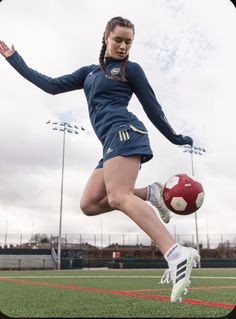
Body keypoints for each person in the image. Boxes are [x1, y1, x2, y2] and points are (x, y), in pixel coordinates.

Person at [0, 16, 200, 303]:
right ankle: (151, 192)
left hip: (126, 132)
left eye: (128, 41)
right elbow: (51, 85)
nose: (123, 46)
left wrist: (175, 137)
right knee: (90, 204)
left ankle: (176, 253)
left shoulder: (131, 70)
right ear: (106, 37)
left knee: (118, 197)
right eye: (118, 39)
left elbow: (153, 107)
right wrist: (14, 59)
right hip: (109, 144)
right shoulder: (89, 73)